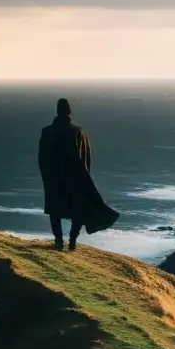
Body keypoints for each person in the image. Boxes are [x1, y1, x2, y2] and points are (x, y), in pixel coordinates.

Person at [37, 98, 119, 250]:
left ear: (57, 111)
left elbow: (42, 157)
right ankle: (73, 240)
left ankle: (59, 240)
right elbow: (86, 157)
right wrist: (84, 175)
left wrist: (46, 176)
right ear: (70, 112)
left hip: (53, 178)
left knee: (54, 210)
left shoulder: (47, 131)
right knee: (78, 210)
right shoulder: (78, 132)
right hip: (76, 178)